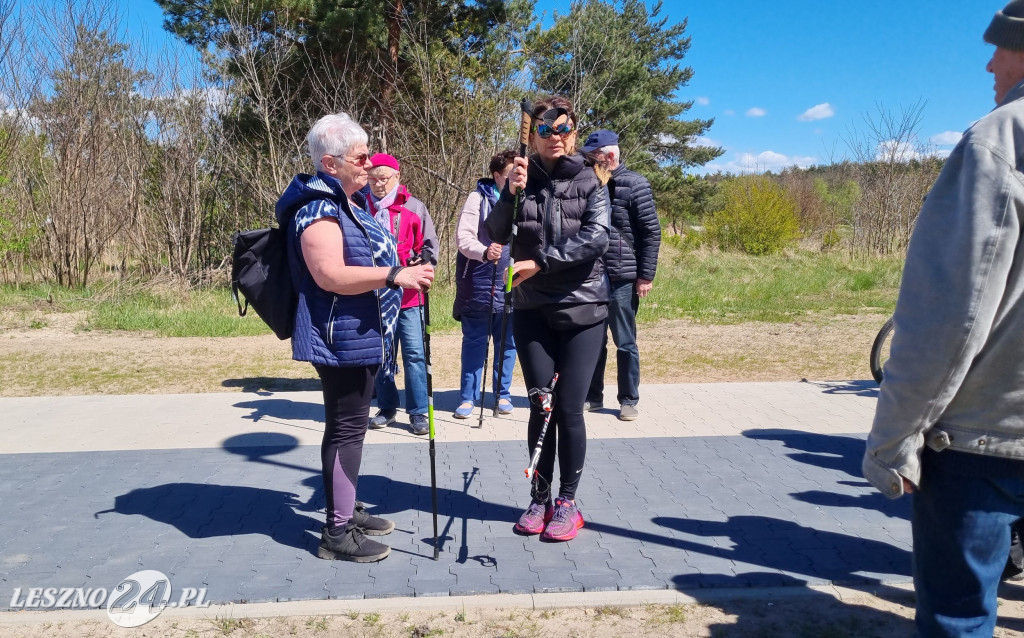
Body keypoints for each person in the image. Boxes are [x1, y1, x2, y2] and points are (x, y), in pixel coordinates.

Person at [862, 2, 1024, 634]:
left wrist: (892, 441)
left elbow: (949, 318)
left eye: (1000, 48)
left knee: (958, 618)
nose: (990, 64)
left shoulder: (999, 140)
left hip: (985, 440)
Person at [276, 113, 434, 562]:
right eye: (361, 157)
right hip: (340, 336)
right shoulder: (318, 208)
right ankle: (337, 531)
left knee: (349, 428)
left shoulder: (348, 202)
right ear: (330, 163)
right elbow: (329, 275)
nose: (369, 164)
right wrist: (394, 275)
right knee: (347, 429)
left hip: (360, 332)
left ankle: (345, 508)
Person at [486, 95, 610, 542]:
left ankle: (567, 504)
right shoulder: (522, 179)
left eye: (563, 128)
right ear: (533, 135)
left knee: (569, 409)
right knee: (541, 406)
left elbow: (596, 238)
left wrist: (541, 261)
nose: (554, 136)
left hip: (583, 308)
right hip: (532, 309)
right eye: (544, 129)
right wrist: (509, 193)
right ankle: (539, 498)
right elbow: (495, 233)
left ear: (573, 134)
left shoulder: (592, 180)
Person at [580, 129, 660, 422]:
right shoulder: (588, 182)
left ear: (610, 156)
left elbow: (651, 232)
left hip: (623, 278)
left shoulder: (636, 184)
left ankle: (628, 399)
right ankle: (592, 396)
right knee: (593, 341)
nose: (589, 162)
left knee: (625, 342)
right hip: (591, 276)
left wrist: (645, 275)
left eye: (594, 156)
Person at [363, 153, 439, 436]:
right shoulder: (360, 206)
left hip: (409, 298)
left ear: (397, 176)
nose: (378, 184)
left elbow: (430, 246)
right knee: (383, 355)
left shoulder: (414, 207)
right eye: (373, 179)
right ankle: (387, 407)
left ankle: (418, 412)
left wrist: (425, 262)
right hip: (374, 296)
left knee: (415, 354)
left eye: (384, 178)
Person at [452, 150, 518, 419]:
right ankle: (468, 397)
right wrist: (484, 251)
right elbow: (464, 237)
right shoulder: (477, 198)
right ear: (497, 176)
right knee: (475, 342)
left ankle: (503, 394)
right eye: (511, 174)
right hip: (477, 283)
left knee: (507, 343)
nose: (516, 179)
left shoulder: (526, 199)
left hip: (513, 281)